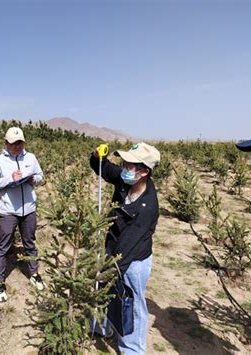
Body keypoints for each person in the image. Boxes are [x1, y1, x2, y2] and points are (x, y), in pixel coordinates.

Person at [90, 142, 160, 355]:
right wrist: (96, 156)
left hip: (133, 262)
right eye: (126, 163)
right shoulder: (124, 179)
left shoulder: (147, 207)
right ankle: (104, 327)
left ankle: (132, 349)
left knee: (131, 305)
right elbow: (104, 167)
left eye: (131, 165)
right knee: (108, 295)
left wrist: (108, 270)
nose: (125, 167)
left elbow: (127, 249)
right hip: (113, 252)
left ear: (144, 172)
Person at [0, 127, 44, 302]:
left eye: (20, 143)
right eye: (13, 143)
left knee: (30, 243)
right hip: (8, 211)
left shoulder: (31, 158)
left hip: (29, 209)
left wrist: (34, 179)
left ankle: (34, 274)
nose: (17, 146)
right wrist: (11, 178)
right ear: (6, 143)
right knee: (4, 245)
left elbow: (41, 176)